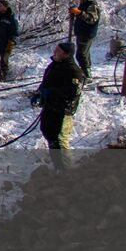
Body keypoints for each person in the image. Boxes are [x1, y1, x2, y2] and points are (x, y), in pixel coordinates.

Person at [30, 41, 83, 170]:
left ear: (66, 54)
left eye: (58, 51)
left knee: (59, 139)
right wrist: (39, 93)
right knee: (49, 133)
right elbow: (46, 82)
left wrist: (51, 92)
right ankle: (58, 165)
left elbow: (72, 92)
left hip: (63, 110)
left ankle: (66, 169)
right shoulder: (54, 66)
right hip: (50, 106)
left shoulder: (73, 71)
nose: (54, 52)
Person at [68, 0, 102, 80]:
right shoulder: (84, 4)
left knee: (81, 54)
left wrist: (78, 12)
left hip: (86, 34)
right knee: (85, 54)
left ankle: (87, 75)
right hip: (82, 33)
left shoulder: (92, 5)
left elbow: (91, 19)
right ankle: (86, 72)